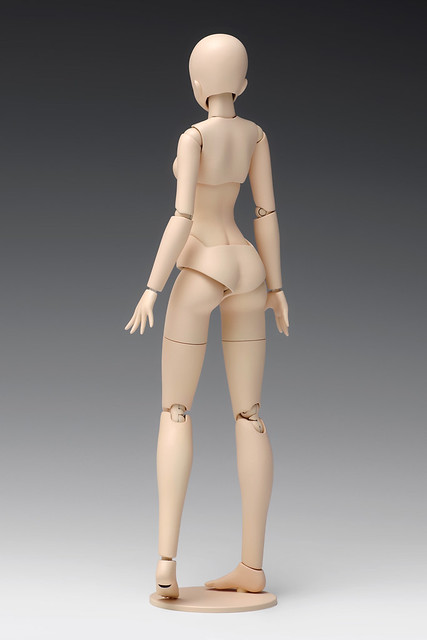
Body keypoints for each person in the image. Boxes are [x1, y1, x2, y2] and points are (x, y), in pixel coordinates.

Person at [125, 34, 289, 599]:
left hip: (202, 269)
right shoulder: (255, 135)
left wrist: (152, 286)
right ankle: (252, 567)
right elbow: (265, 211)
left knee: (175, 410)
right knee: (250, 414)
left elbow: (181, 216)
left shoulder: (193, 136)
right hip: (248, 267)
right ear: (242, 83)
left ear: (197, 85)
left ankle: (166, 563)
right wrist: (277, 287)